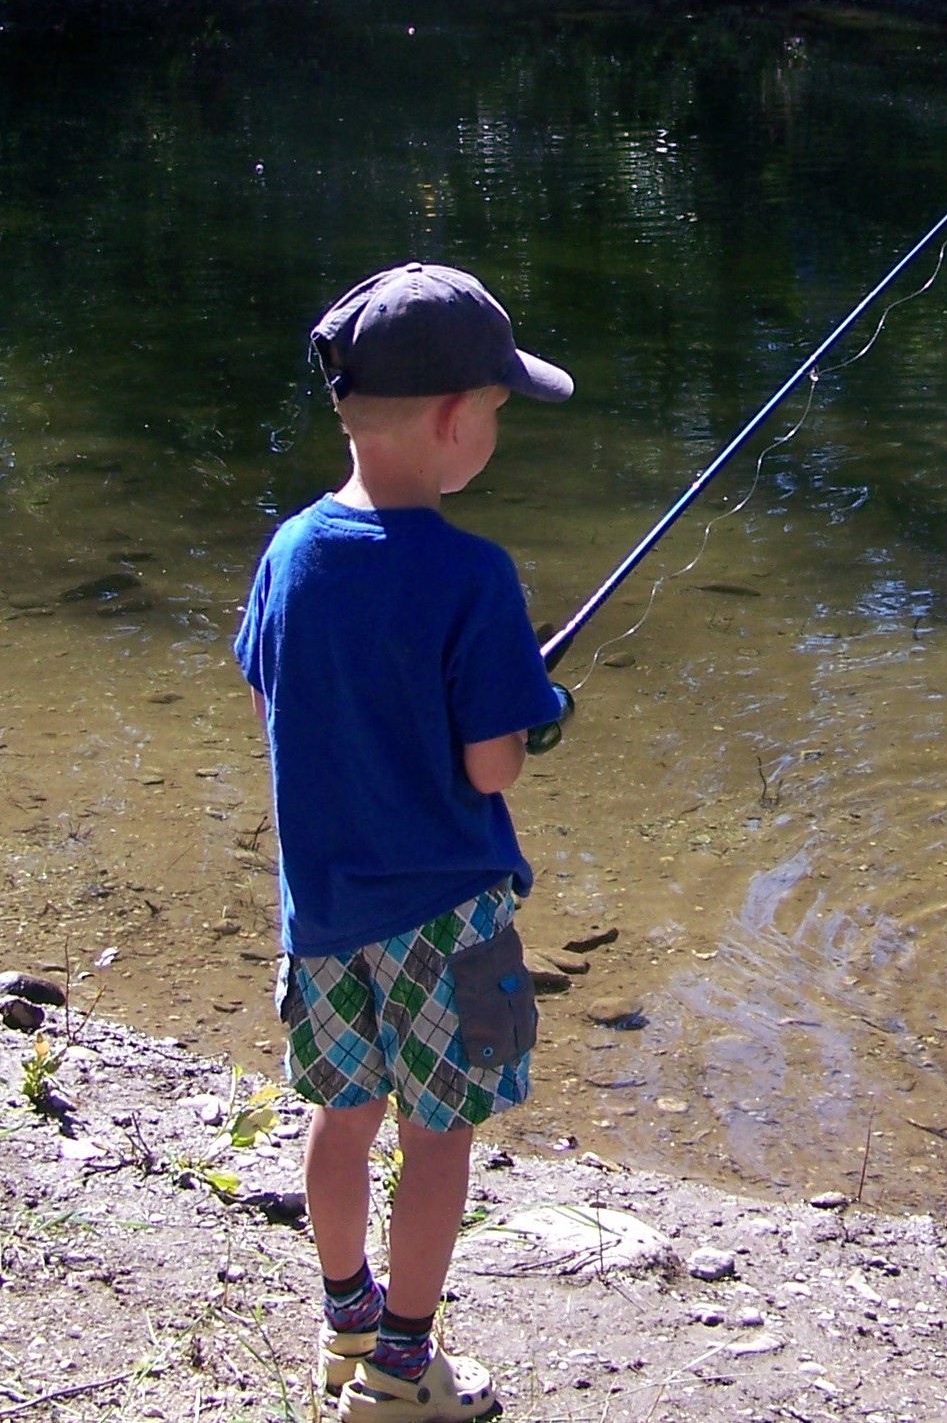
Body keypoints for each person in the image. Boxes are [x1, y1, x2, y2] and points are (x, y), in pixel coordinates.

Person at [234, 261, 573, 1421]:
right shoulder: (475, 574)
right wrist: (532, 708)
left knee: (345, 1113)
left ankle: (345, 1325)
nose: (496, 429)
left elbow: (278, 692)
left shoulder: (288, 552)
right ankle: (402, 1368)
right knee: (438, 1138)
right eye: (496, 409)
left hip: (321, 912)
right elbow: (490, 766)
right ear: (447, 418)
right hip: (448, 916)